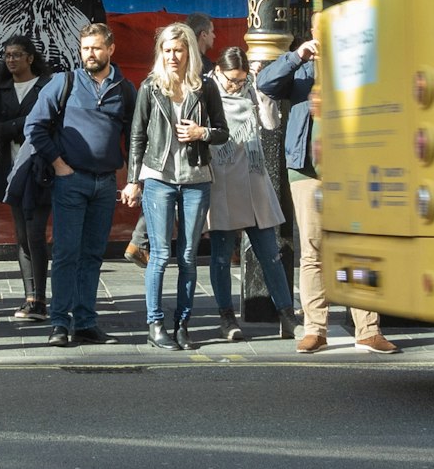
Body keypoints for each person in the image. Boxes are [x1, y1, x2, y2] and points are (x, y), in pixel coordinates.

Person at [257, 38, 390, 355]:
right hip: (306, 169)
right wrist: (296, 56)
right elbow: (265, 83)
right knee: (313, 252)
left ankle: (368, 330)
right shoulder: (301, 66)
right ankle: (316, 330)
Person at [23, 21, 133, 345]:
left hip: (105, 185)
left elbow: (137, 134)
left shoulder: (125, 88)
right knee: (67, 253)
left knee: (93, 255)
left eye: (97, 48)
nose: (90, 54)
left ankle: (85, 322)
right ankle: (59, 323)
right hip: (71, 181)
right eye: (85, 48)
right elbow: (35, 126)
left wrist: (131, 175)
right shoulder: (64, 82)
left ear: (111, 49)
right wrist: (59, 164)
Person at [129, 21, 222, 349]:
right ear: (161, 53)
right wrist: (133, 181)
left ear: (189, 52)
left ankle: (182, 324)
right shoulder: (150, 87)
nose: (172, 56)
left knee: (187, 255)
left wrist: (202, 133)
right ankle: (155, 325)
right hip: (159, 179)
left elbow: (222, 131)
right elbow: (138, 134)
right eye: (167, 50)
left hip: (197, 179)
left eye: (178, 50)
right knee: (160, 254)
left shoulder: (205, 87)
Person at [201, 40, 291, 345]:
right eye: (232, 80)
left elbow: (271, 123)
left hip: (253, 182)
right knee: (222, 257)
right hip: (221, 184)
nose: (237, 86)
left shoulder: (252, 91)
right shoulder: (205, 95)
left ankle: (287, 314)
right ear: (217, 72)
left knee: (271, 255)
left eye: (241, 80)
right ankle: (226, 317)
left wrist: (261, 91)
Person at [0, 38, 51, 325]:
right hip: (11, 169)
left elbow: (48, 122)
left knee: (36, 232)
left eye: (17, 55)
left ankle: (40, 297)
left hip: (39, 169)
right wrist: (22, 125)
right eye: (7, 55)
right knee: (22, 235)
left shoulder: (46, 85)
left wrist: (16, 126)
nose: (11, 60)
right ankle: (30, 296)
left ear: (30, 58)